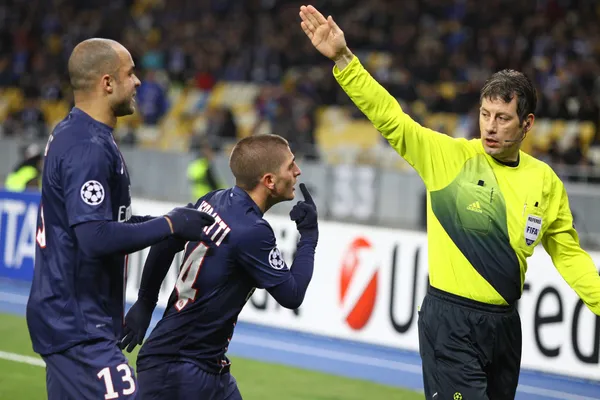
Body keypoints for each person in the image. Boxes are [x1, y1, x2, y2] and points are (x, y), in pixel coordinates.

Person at [299, 4, 600, 399]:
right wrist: (343, 59)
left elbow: (569, 256)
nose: (490, 127)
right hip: (450, 322)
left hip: (505, 328)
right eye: (485, 114)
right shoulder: (447, 157)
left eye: (503, 118)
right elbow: (391, 117)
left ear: (527, 124)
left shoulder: (544, 181)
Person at [25, 38, 215, 400]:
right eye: (130, 73)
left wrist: (167, 222)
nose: (139, 82)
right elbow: (95, 237)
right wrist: (170, 225)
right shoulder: (88, 147)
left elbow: (109, 221)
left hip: (77, 319)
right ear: (107, 83)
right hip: (77, 325)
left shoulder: (80, 134)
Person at [119, 134, 318, 400]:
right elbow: (292, 295)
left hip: (204, 365)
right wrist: (309, 238)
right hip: (179, 369)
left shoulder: (214, 199)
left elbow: (168, 239)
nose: (297, 171)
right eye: (290, 165)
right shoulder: (252, 230)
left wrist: (145, 302)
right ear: (269, 181)